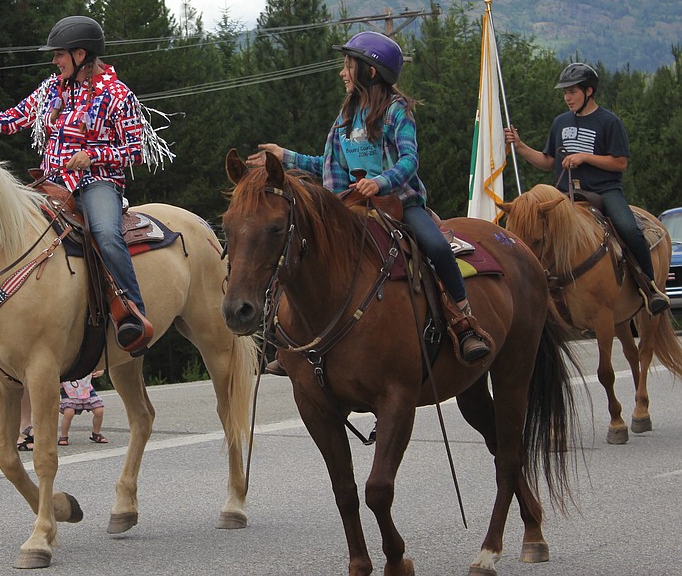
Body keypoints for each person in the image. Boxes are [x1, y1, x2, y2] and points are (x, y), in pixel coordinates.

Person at [248, 31, 493, 365]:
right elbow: (329, 166)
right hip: (350, 210)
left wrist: (380, 182)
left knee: (435, 247)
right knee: (297, 250)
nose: (342, 72)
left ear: (370, 71)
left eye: (348, 65)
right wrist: (285, 156)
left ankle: (464, 323)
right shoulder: (343, 120)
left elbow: (409, 159)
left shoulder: (397, 112)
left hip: (401, 205)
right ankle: (281, 335)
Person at [0, 15, 171, 361]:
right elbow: (10, 121)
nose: (54, 60)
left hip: (97, 184)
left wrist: (93, 156)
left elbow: (137, 149)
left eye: (59, 54)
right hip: (50, 184)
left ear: (81, 55)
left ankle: (130, 311)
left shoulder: (117, 94)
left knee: (106, 232)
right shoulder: (50, 89)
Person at [504, 62, 669, 314]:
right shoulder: (560, 122)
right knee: (537, 228)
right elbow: (549, 162)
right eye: (565, 92)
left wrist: (584, 157)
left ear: (588, 91)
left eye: (572, 92)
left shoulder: (609, 122)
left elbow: (620, 162)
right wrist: (521, 146)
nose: (567, 97)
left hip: (604, 192)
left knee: (627, 227)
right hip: (566, 195)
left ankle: (650, 287)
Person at [58, 370, 107, 446]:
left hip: (86, 388)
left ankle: (96, 433)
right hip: (69, 389)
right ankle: (64, 436)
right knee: (68, 413)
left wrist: (100, 371)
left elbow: (98, 364)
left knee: (99, 410)